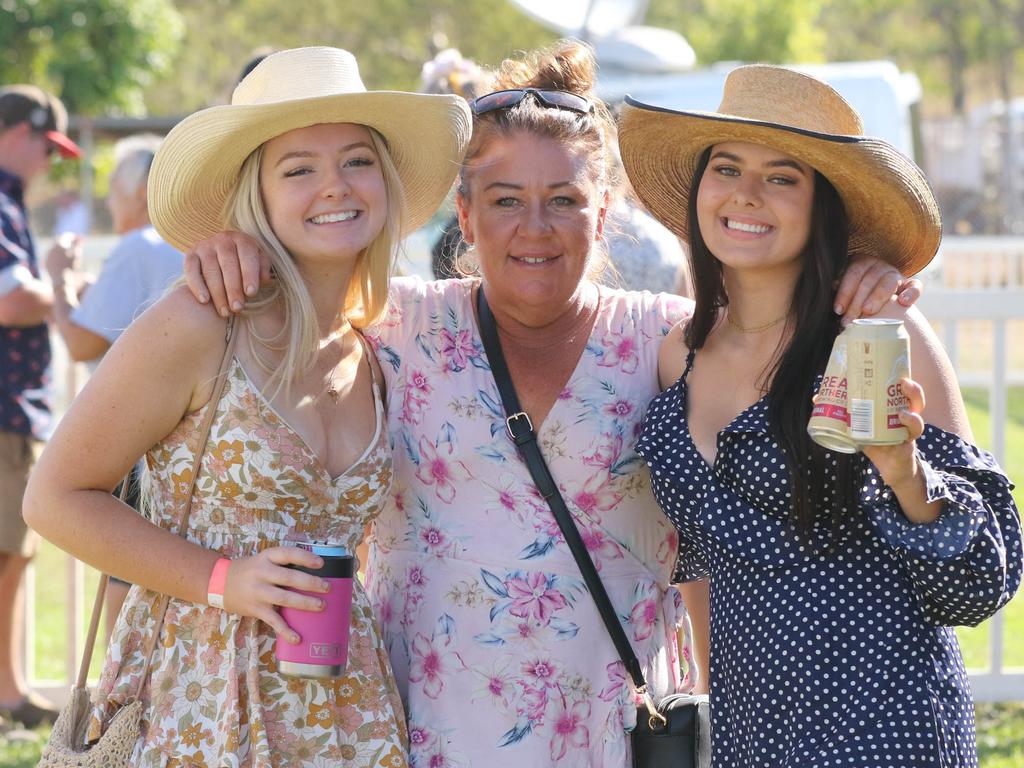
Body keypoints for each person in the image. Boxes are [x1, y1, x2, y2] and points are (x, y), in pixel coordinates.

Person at [181, 41, 923, 767]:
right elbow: (290, 283)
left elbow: (775, 331)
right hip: (425, 729)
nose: (534, 228)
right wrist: (233, 248)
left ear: (604, 215)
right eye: (506, 201)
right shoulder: (391, 326)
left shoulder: (666, 340)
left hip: (619, 729)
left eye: (564, 201)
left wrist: (859, 272)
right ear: (464, 218)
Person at [24, 46, 471, 765]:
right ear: (256, 195)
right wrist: (224, 580)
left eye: (357, 160)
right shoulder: (202, 322)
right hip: (199, 702)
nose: (335, 186)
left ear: (385, 180)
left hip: (343, 711)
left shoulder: (382, 344)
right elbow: (54, 499)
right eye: (298, 168)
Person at [619, 65, 1023, 767]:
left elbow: (980, 580)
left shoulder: (876, 332)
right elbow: (705, 567)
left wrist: (904, 470)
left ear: (822, 205)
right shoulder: (673, 359)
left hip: (886, 725)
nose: (746, 193)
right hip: (754, 730)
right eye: (727, 167)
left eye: (782, 177)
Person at [45, 133, 183, 636]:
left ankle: (122, 701)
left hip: (134, 439)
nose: (109, 205)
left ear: (141, 193)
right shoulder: (195, 243)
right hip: (188, 441)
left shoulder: (137, 246)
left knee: (126, 576)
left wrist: (59, 280)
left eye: (113, 194)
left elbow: (82, 342)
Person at [0, 84, 81, 728]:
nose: (51, 162)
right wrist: (59, 284)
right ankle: (6, 695)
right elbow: (11, 300)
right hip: (4, 407)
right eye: (45, 146)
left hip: (13, 408)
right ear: (17, 132)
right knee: (6, 555)